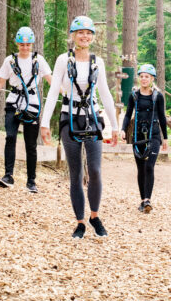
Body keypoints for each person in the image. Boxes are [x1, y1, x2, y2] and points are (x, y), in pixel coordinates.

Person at [40, 15, 120, 239]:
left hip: (92, 119)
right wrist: (45, 123)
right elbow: (53, 91)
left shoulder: (98, 62)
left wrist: (114, 126)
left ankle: (95, 216)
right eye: (80, 33)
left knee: (94, 170)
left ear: (92, 37)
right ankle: (80, 222)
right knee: (75, 173)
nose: (84, 36)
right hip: (70, 118)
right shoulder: (62, 61)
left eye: (88, 33)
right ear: (73, 36)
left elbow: (105, 93)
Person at [0, 27, 53, 192]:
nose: (25, 48)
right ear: (17, 44)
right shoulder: (10, 61)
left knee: (30, 144)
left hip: (32, 104)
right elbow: (0, 82)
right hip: (13, 102)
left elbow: (50, 80)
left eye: (28, 44)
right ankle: (8, 176)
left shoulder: (38, 60)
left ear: (32, 44)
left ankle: (31, 182)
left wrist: (66, 93)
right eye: (22, 44)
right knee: (10, 137)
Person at [120, 64, 168, 213]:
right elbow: (128, 114)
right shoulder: (134, 95)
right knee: (140, 168)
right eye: (141, 76)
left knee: (149, 166)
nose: (144, 79)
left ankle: (148, 199)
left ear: (152, 78)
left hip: (153, 135)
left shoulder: (157, 96)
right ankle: (142, 201)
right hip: (138, 135)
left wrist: (165, 137)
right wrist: (123, 129)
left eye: (147, 77)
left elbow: (162, 117)